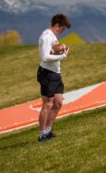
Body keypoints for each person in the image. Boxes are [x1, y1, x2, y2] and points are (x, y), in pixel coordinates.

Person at [37, 14, 71, 142]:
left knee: (58, 102)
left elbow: (52, 53)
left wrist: (61, 50)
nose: (63, 31)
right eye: (62, 29)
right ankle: (41, 134)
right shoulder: (46, 36)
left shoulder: (53, 36)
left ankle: (48, 130)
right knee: (47, 104)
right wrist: (62, 56)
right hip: (46, 73)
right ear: (57, 25)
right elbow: (45, 57)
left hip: (55, 73)